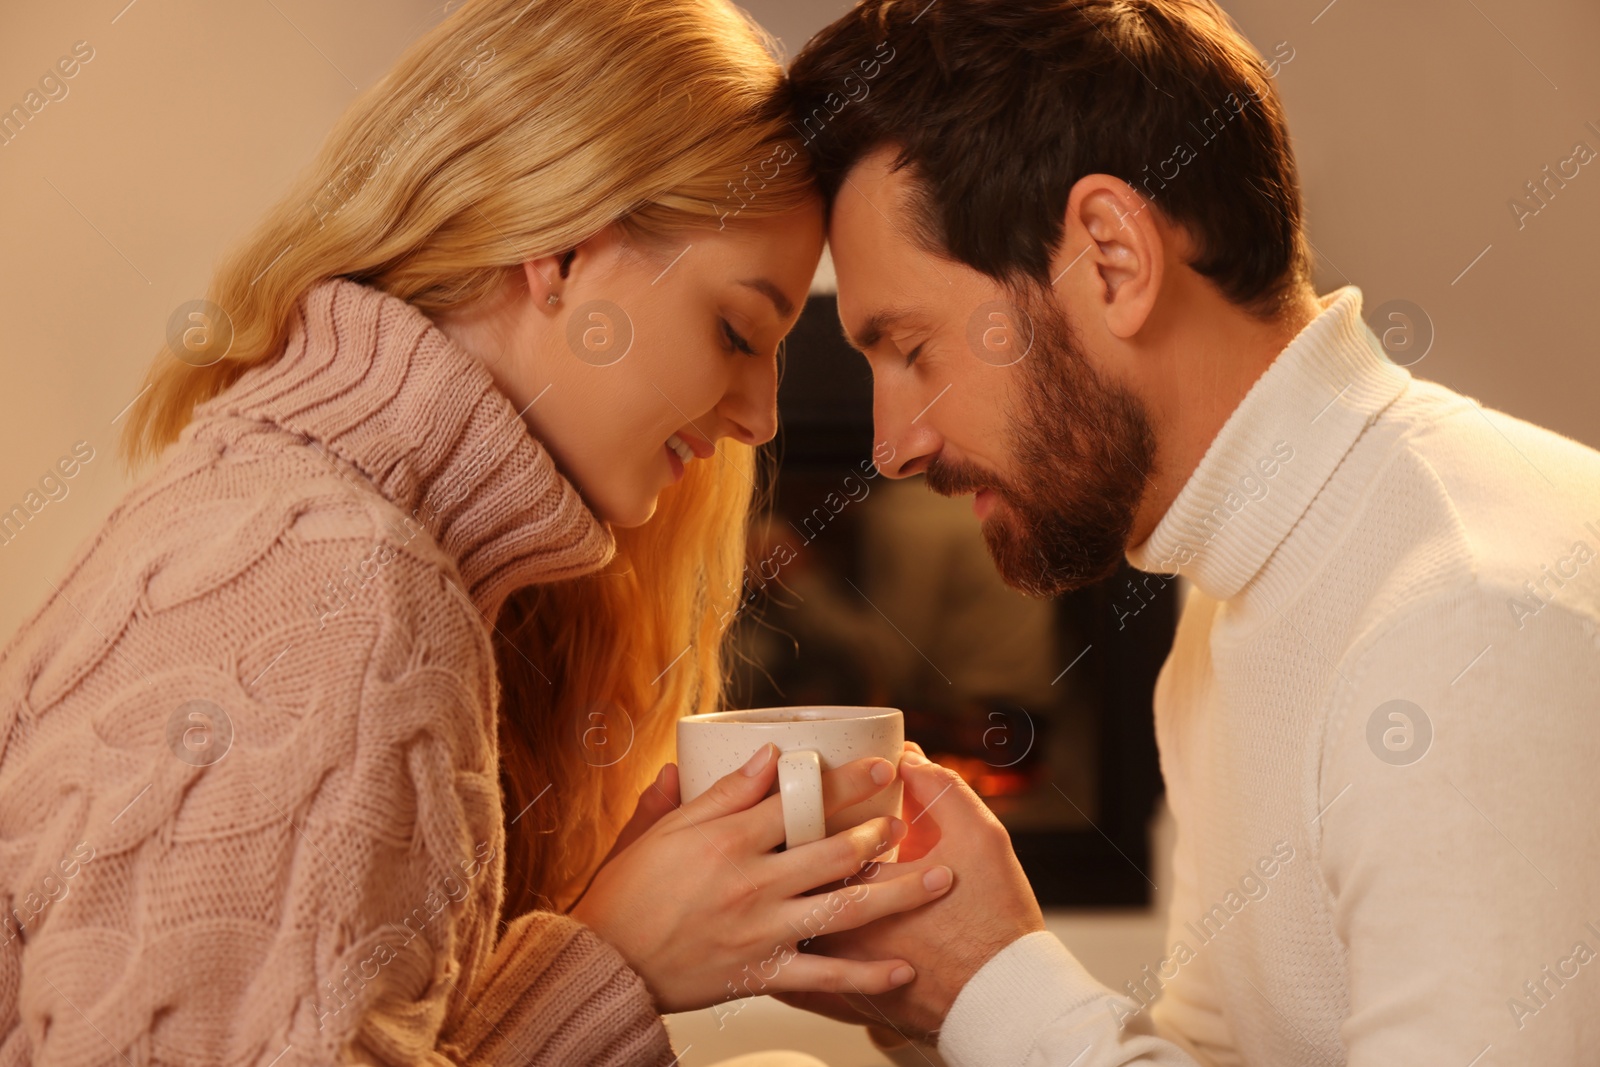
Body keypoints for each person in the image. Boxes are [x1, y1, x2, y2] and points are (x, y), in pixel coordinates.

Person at [0, 0, 956, 1063]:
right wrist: (608, 967)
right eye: (736, 330)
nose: (760, 416)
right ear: (556, 251)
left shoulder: (294, 515)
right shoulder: (337, 581)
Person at [779, 0, 1600, 1063]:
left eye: (911, 349)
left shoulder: (1466, 620)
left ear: (1110, 259)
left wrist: (997, 979)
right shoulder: (1240, 588)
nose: (892, 444)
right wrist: (933, 1001)